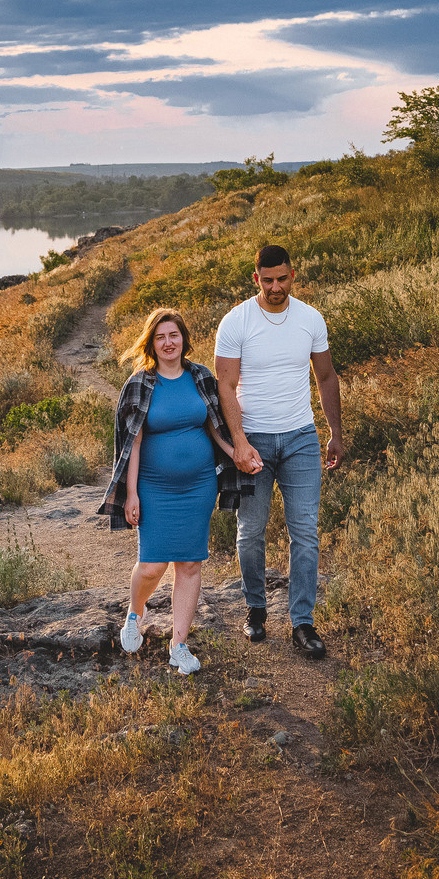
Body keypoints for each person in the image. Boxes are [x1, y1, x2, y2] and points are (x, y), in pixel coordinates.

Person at [98, 306, 249, 675]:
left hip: (198, 486)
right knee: (152, 565)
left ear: (183, 339)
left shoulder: (200, 376)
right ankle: (135, 612)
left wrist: (237, 454)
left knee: (190, 563)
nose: (168, 343)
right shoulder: (140, 383)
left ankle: (178, 645)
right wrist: (131, 493)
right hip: (154, 486)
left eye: (174, 335)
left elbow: (215, 426)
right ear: (151, 342)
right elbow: (131, 443)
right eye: (160, 337)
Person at [213, 243, 342, 658]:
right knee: (251, 532)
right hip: (254, 442)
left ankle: (302, 623)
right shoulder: (236, 321)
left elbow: (325, 377)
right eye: (267, 280)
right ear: (256, 279)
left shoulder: (310, 319)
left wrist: (334, 432)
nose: (274, 287)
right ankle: (255, 611)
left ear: (292, 275)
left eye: (281, 278)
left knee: (304, 531)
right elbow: (225, 387)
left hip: (301, 437)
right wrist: (239, 443)